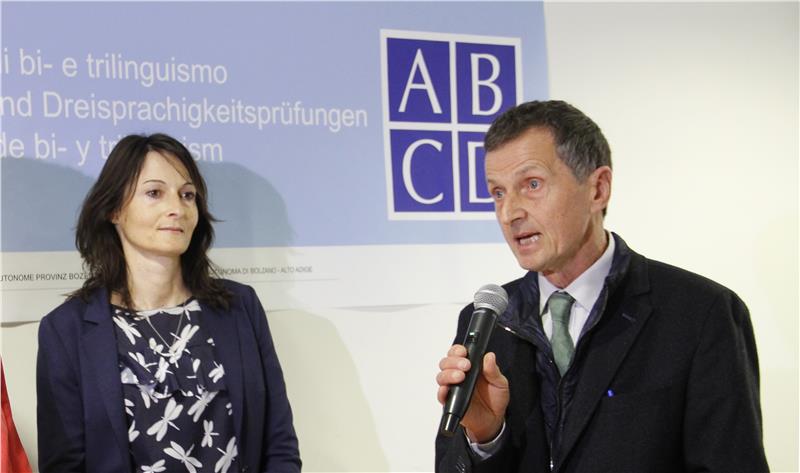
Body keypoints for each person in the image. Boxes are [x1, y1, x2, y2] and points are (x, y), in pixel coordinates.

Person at [434, 101, 768, 472]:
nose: (509, 212)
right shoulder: (486, 321)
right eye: (498, 192)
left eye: (532, 185)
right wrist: (485, 438)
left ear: (598, 189)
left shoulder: (701, 313)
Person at [37, 133, 301, 473]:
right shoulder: (65, 329)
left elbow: (279, 444)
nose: (177, 208)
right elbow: (64, 465)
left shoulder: (240, 307)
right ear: (114, 209)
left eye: (187, 195)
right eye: (154, 193)